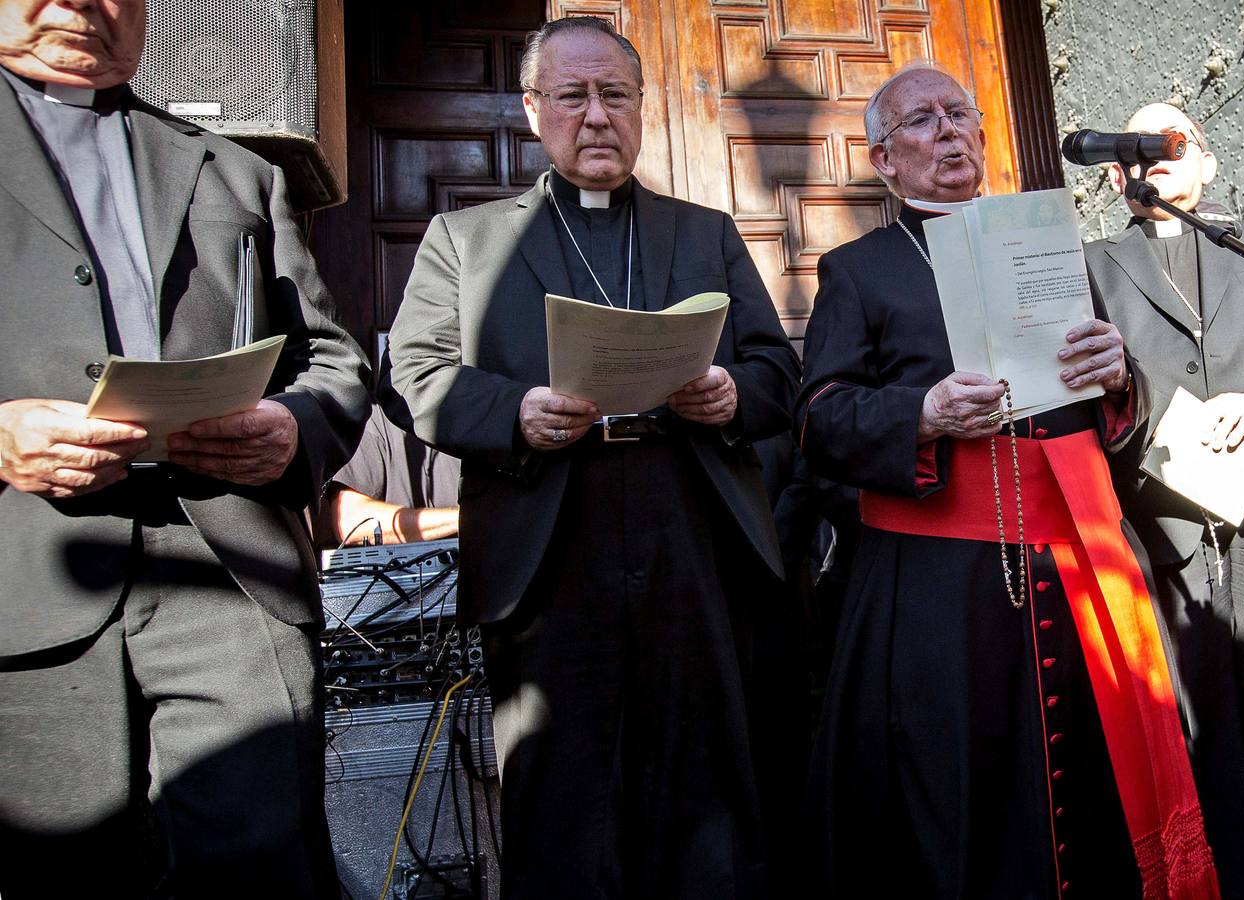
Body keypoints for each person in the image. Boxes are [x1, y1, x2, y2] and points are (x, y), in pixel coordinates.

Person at [382, 16, 800, 899]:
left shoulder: (704, 231)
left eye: (614, 94)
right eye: (572, 96)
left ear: (642, 108)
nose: (596, 115)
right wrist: (514, 413)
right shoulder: (467, 240)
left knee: (705, 782)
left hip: (689, 524)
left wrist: (731, 395)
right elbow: (416, 372)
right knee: (563, 794)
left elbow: (774, 368)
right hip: (549, 530)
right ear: (535, 110)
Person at [796, 63, 1218, 899]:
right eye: (922, 121)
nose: (949, 131)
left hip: (1079, 557)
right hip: (939, 588)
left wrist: (1119, 375)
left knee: (1099, 774)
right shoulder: (859, 270)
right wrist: (922, 413)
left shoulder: (1051, 248)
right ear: (884, 160)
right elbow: (818, 420)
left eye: (961, 115)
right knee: (963, 790)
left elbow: (1118, 404)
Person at [0, 1, 371, 897]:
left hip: (230, 574)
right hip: (27, 582)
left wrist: (293, 427)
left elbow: (330, 356)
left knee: (261, 867)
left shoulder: (238, 172)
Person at [1088, 102, 1244, 897]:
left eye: (1172, 142)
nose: (1155, 157)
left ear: (1209, 164)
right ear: (1116, 173)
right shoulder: (1093, 266)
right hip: (1164, 527)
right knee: (1205, 731)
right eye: (1137, 148)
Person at [323, 400, 460, 547]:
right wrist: (463, 519)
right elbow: (350, 521)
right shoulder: (374, 419)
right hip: (401, 568)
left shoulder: (481, 416)